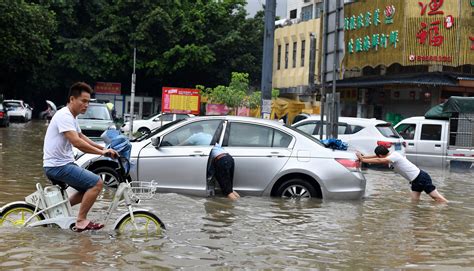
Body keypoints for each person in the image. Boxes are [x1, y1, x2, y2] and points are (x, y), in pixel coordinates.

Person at [43, 82, 118, 232]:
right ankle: (81, 220)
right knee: (97, 183)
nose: (86, 105)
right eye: (83, 101)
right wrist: (101, 153)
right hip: (58, 166)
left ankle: (54, 211)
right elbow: (77, 142)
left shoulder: (72, 116)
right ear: (72, 99)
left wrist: (103, 148)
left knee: (87, 189)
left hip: (62, 164)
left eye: (88, 102)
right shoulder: (64, 115)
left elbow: (81, 136)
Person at [356, 145, 448, 203]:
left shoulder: (393, 156)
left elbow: (380, 160)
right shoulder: (390, 155)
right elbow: (376, 156)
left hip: (421, 178)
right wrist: (363, 157)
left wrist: (363, 160)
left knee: (437, 198)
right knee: (414, 202)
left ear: (381, 154)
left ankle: (447, 208)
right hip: (415, 180)